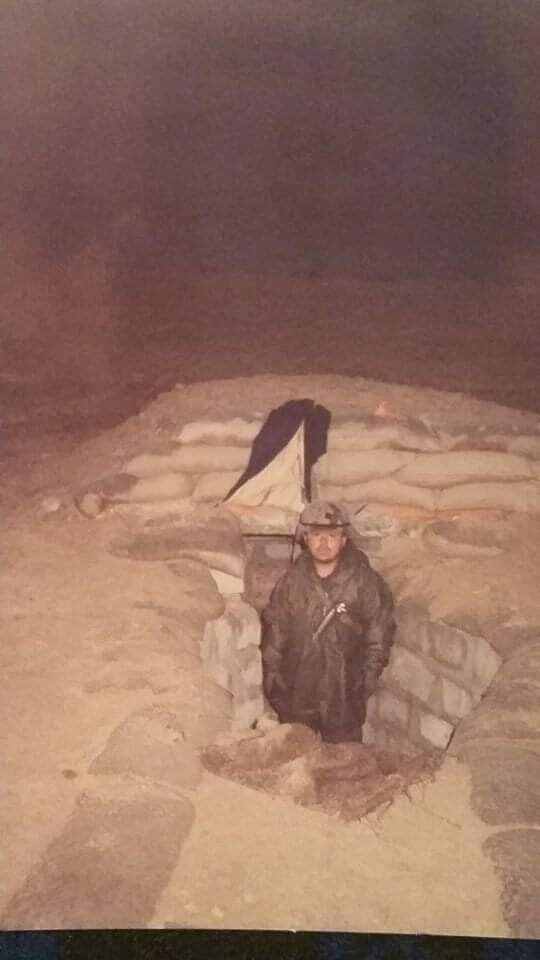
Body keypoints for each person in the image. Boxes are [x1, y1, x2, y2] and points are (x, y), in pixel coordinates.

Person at [261, 500, 395, 743]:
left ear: (343, 540)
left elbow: (379, 635)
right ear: (306, 539)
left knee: (343, 762)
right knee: (297, 756)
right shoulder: (291, 583)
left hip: (344, 696)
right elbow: (275, 634)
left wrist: (363, 683)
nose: (323, 543)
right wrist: (274, 680)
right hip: (298, 693)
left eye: (332, 536)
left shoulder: (364, 582)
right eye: (316, 535)